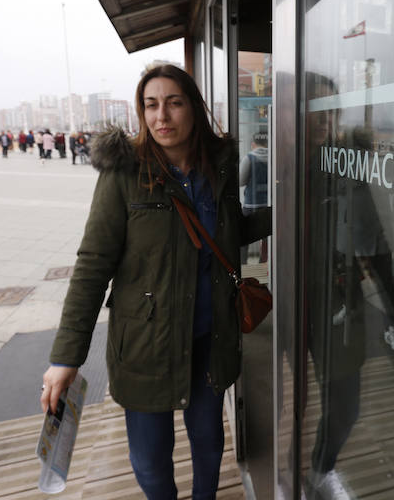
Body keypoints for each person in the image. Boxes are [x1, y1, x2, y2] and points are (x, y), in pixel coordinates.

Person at [41, 64, 271, 500]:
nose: (161, 116)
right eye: (151, 105)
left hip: (209, 336)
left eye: (174, 102)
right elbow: (93, 265)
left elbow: (228, 231)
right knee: (150, 458)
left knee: (207, 439)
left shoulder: (218, 169)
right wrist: (66, 355)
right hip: (146, 342)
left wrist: (287, 211)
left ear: (194, 109)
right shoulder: (125, 174)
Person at [239, 131, 269, 263]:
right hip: (268, 205)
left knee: (242, 236)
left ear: (253, 144)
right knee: (267, 238)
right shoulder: (274, 156)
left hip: (251, 204)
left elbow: (241, 181)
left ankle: (242, 264)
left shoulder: (249, 158)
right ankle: (264, 264)